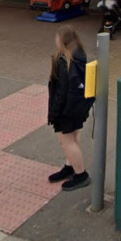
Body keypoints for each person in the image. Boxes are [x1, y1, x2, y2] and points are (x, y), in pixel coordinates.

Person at [47, 25, 93, 190]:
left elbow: (61, 91)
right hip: (78, 107)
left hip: (66, 110)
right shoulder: (80, 55)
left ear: (62, 40)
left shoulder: (63, 60)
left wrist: (53, 114)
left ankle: (81, 175)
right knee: (73, 137)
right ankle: (70, 166)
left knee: (66, 141)